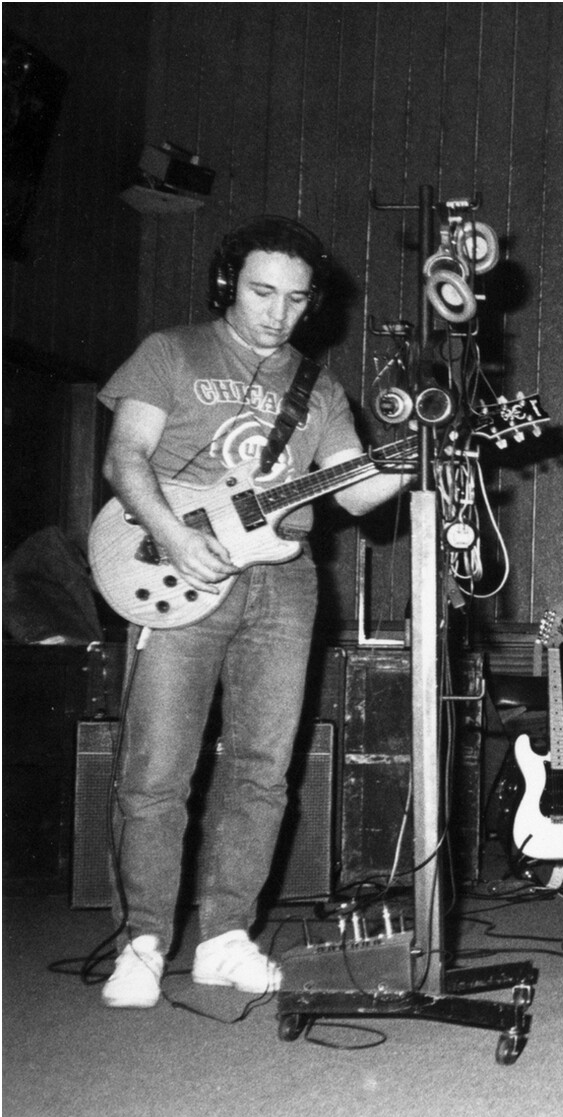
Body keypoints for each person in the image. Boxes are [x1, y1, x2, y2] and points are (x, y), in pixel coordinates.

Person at [98, 215, 410, 1008]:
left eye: (295, 299)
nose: (277, 313)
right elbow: (124, 457)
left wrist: (419, 458)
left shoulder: (320, 388)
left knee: (262, 768)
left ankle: (225, 937)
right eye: (262, 292)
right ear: (226, 284)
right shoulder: (172, 352)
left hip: (285, 581)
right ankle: (142, 941)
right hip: (176, 565)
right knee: (157, 769)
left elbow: (355, 494)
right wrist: (174, 536)